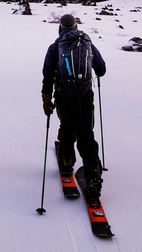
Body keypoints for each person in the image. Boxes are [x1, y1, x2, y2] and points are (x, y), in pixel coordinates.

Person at [41, 13, 106, 198]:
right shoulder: (87, 43)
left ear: (60, 29)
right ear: (76, 28)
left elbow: (48, 74)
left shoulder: (55, 48)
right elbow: (101, 69)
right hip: (85, 96)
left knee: (67, 127)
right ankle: (93, 173)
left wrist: (46, 98)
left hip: (64, 96)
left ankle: (67, 162)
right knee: (86, 132)